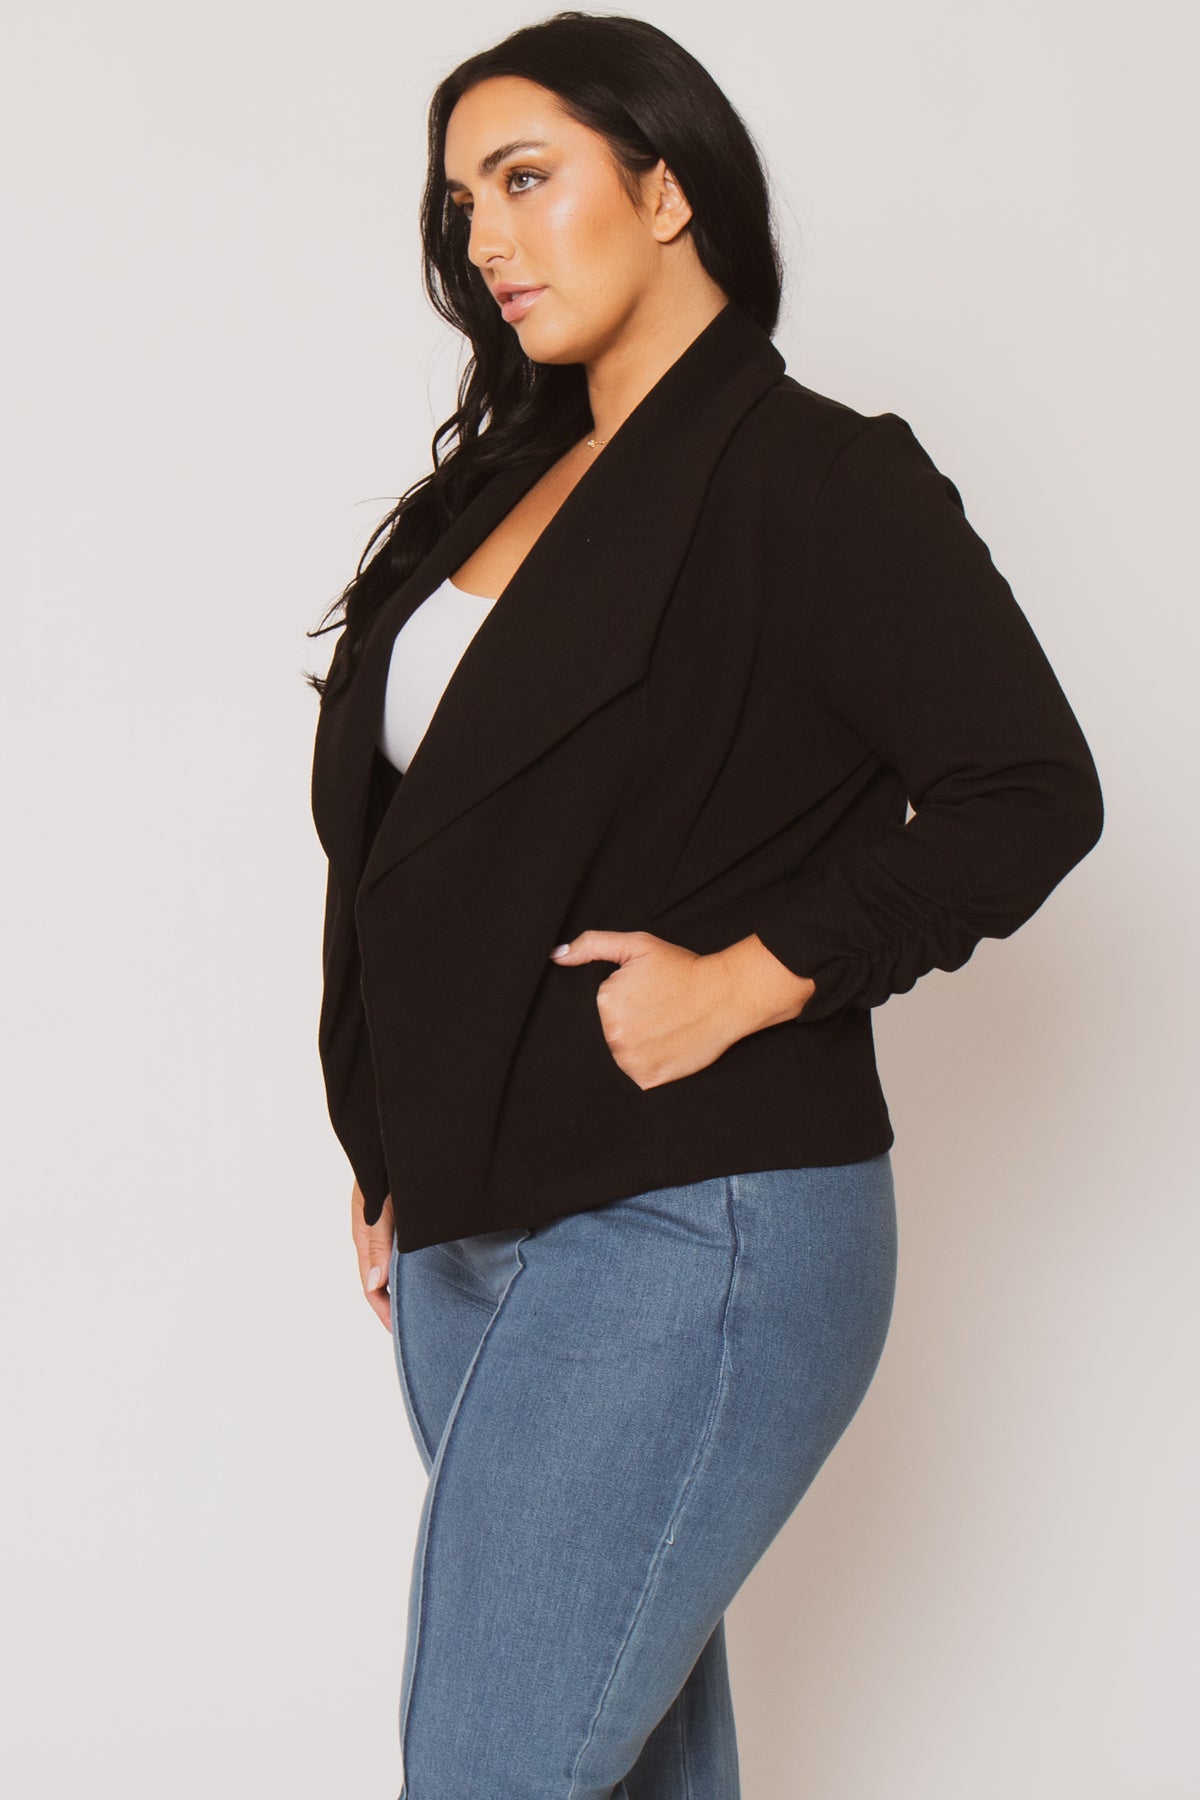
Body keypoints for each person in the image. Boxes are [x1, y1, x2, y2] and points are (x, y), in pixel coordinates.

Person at [306, 13, 1104, 1797]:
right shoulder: (495, 489)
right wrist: (384, 1131)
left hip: (692, 1213)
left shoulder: (815, 476)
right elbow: (410, 840)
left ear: (666, 188)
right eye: (462, 205)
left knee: (493, 1770)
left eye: (528, 180)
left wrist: (753, 976)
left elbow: (1029, 789)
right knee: (616, 1766)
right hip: (466, 1230)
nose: (487, 238)